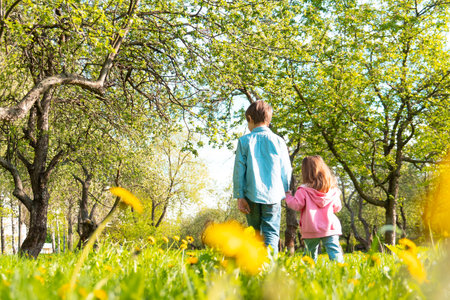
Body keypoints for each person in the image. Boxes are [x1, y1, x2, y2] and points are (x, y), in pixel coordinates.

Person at [233, 100, 292, 255]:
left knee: (255, 233)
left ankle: (255, 266)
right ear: (269, 120)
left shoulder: (244, 141)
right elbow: (286, 169)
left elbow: (239, 170)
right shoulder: (279, 141)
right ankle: (269, 266)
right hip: (274, 194)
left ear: (250, 119)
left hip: (251, 195)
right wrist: (285, 190)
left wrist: (239, 195)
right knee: (271, 232)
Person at [285, 155, 344, 263]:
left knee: (309, 253)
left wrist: (288, 196)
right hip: (330, 227)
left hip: (311, 228)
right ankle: (340, 272)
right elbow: (337, 208)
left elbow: (297, 205)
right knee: (335, 251)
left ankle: (307, 273)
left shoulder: (303, 190)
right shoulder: (333, 190)